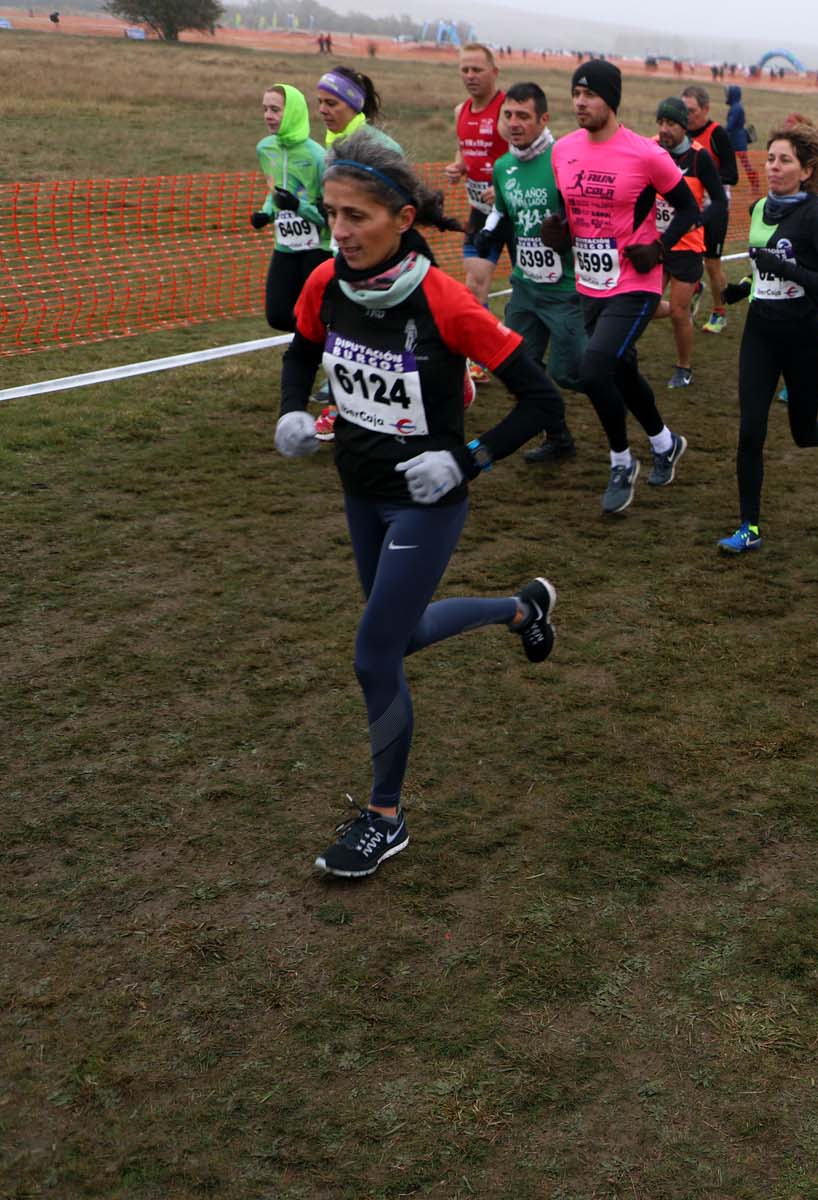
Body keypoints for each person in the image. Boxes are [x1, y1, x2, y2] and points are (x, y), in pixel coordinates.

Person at [273, 131, 563, 878]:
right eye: (332, 214)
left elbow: (541, 399)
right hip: (359, 490)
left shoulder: (445, 301)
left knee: (373, 655)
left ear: (402, 218)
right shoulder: (325, 282)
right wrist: (294, 411)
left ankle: (385, 818)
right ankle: (521, 610)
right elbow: (302, 349)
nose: (339, 232)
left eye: (356, 217)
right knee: (397, 639)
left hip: (426, 504)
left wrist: (467, 460)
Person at [550, 58, 702, 514]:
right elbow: (569, 213)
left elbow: (691, 210)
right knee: (620, 369)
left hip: (635, 282)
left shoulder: (645, 154)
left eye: (590, 94)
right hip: (591, 282)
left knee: (592, 369)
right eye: (576, 93)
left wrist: (658, 248)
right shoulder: (564, 150)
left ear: (610, 100)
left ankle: (621, 461)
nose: (580, 102)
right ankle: (665, 442)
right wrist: (556, 233)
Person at [713, 123, 818, 554]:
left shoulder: (815, 215)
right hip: (761, 330)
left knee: (802, 431)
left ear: (807, 169)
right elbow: (765, 263)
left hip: (806, 335)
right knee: (750, 430)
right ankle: (749, 527)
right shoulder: (759, 207)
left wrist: (790, 273)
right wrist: (747, 287)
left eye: (785, 160)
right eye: (771, 158)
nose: (774, 167)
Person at [476, 81, 582, 463]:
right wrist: (489, 232)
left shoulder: (564, 159)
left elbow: (587, 214)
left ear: (543, 119)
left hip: (567, 287)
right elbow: (502, 210)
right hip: (525, 286)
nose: (514, 123)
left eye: (523, 116)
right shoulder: (504, 167)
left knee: (570, 372)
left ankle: (620, 373)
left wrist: (567, 232)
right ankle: (559, 437)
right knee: (519, 369)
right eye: (508, 115)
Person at [652, 96, 727, 389]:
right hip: (656, 243)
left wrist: (698, 220)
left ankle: (684, 368)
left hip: (687, 246)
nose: (664, 129)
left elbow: (719, 202)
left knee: (680, 314)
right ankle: (685, 300)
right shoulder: (652, 149)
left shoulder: (700, 157)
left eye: (670, 123)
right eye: (660, 122)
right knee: (643, 305)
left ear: (684, 126)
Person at [252, 84, 330, 334]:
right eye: (265, 109)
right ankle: (312, 342)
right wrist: (266, 212)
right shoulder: (265, 148)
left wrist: (298, 206)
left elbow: (330, 213)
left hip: (319, 246)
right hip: (285, 244)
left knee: (317, 314)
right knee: (277, 314)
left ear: (294, 112)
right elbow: (275, 189)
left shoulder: (318, 156)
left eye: (275, 109)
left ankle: (309, 352)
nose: (268, 116)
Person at [443, 44, 511, 309]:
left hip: (516, 212)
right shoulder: (461, 110)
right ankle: (481, 348)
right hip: (481, 211)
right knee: (474, 285)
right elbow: (464, 145)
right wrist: (458, 166)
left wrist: (504, 187)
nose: (470, 75)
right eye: (465, 70)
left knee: (530, 287)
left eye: (477, 70)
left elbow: (533, 155)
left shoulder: (509, 111)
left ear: (494, 72)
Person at [682, 85, 740, 335]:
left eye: (692, 110)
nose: (687, 116)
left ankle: (719, 313)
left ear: (705, 109)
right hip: (689, 208)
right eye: (683, 110)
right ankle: (699, 289)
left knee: (712, 263)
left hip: (715, 206)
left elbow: (733, 175)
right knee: (688, 258)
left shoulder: (717, 134)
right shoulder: (680, 133)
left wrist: (705, 176)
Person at [315, 65, 402, 155]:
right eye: (320, 102)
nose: (322, 110)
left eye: (331, 104)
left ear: (354, 105)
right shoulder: (334, 140)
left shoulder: (384, 148)